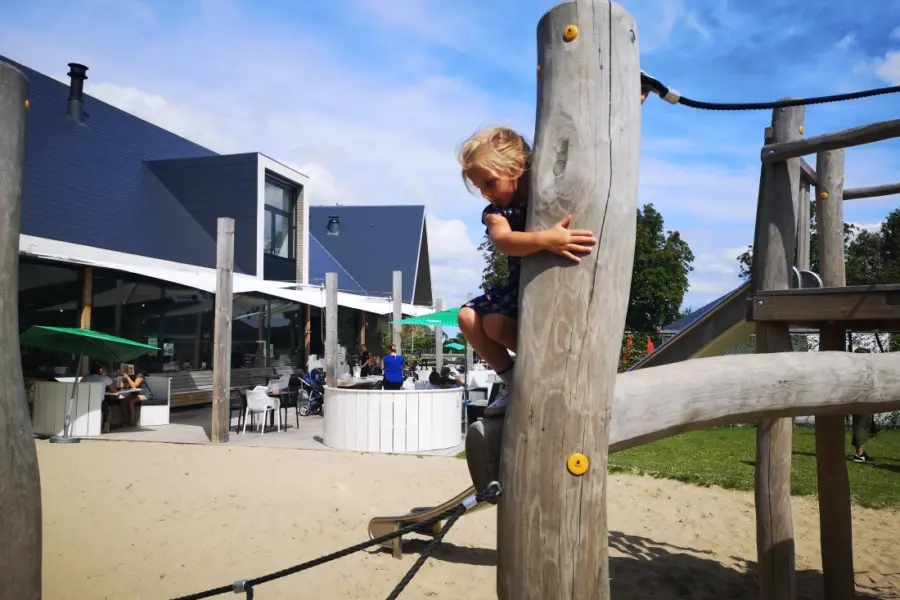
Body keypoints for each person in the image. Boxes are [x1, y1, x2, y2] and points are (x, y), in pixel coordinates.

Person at [455, 93, 650, 417]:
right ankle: (513, 380)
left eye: (490, 182)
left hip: (557, 289)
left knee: (491, 323)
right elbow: (503, 241)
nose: (486, 193)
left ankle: (539, 370)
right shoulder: (496, 212)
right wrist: (547, 239)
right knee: (469, 318)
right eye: (480, 188)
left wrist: (627, 103)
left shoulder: (547, 183)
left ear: (516, 166)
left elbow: (582, 145)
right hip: (519, 288)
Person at [850, 347, 878, 463]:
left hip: (866, 400)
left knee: (865, 426)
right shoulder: (857, 370)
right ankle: (859, 454)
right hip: (860, 401)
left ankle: (860, 452)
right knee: (860, 427)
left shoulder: (864, 368)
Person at [82, 364, 119, 433]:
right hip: (99, 402)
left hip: (86, 401)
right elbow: (114, 391)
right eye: (103, 369)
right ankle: (107, 425)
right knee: (109, 409)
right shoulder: (105, 378)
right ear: (100, 370)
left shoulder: (85, 378)